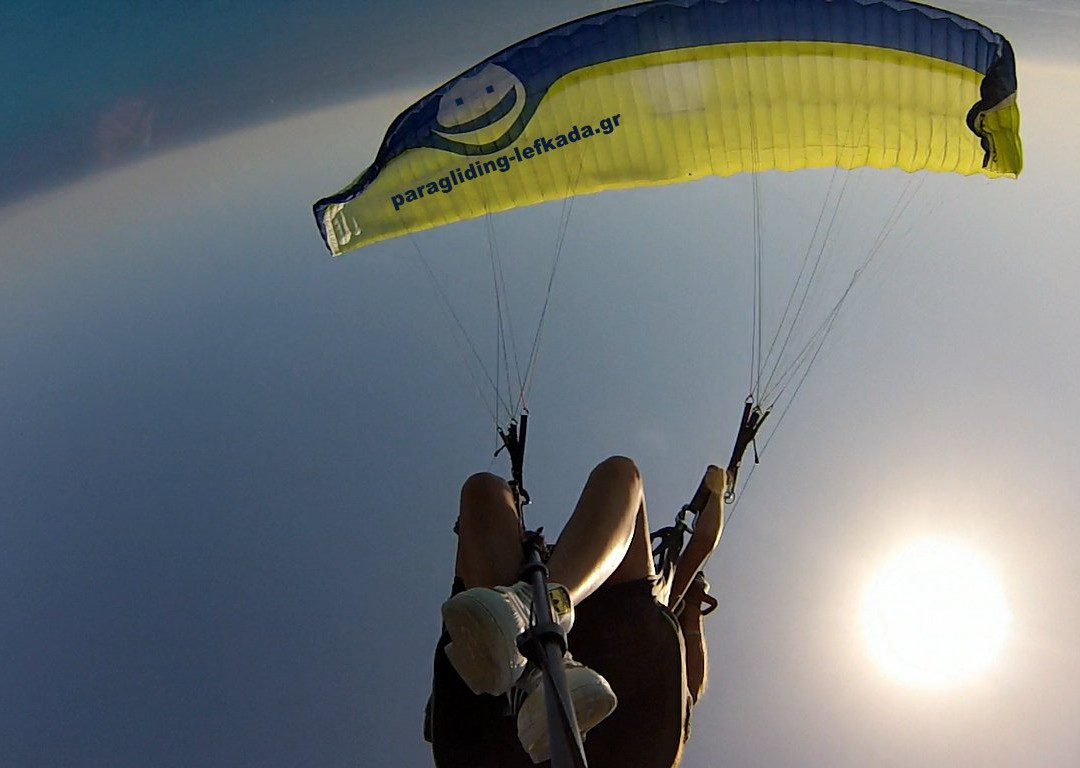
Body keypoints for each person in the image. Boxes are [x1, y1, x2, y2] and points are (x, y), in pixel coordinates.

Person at [425, 456, 725, 767]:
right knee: (618, 475)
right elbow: (702, 543)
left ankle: (530, 624)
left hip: (496, 722)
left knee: (484, 492)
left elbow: (701, 543)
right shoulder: (657, 625)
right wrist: (716, 494)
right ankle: (536, 612)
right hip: (626, 700)